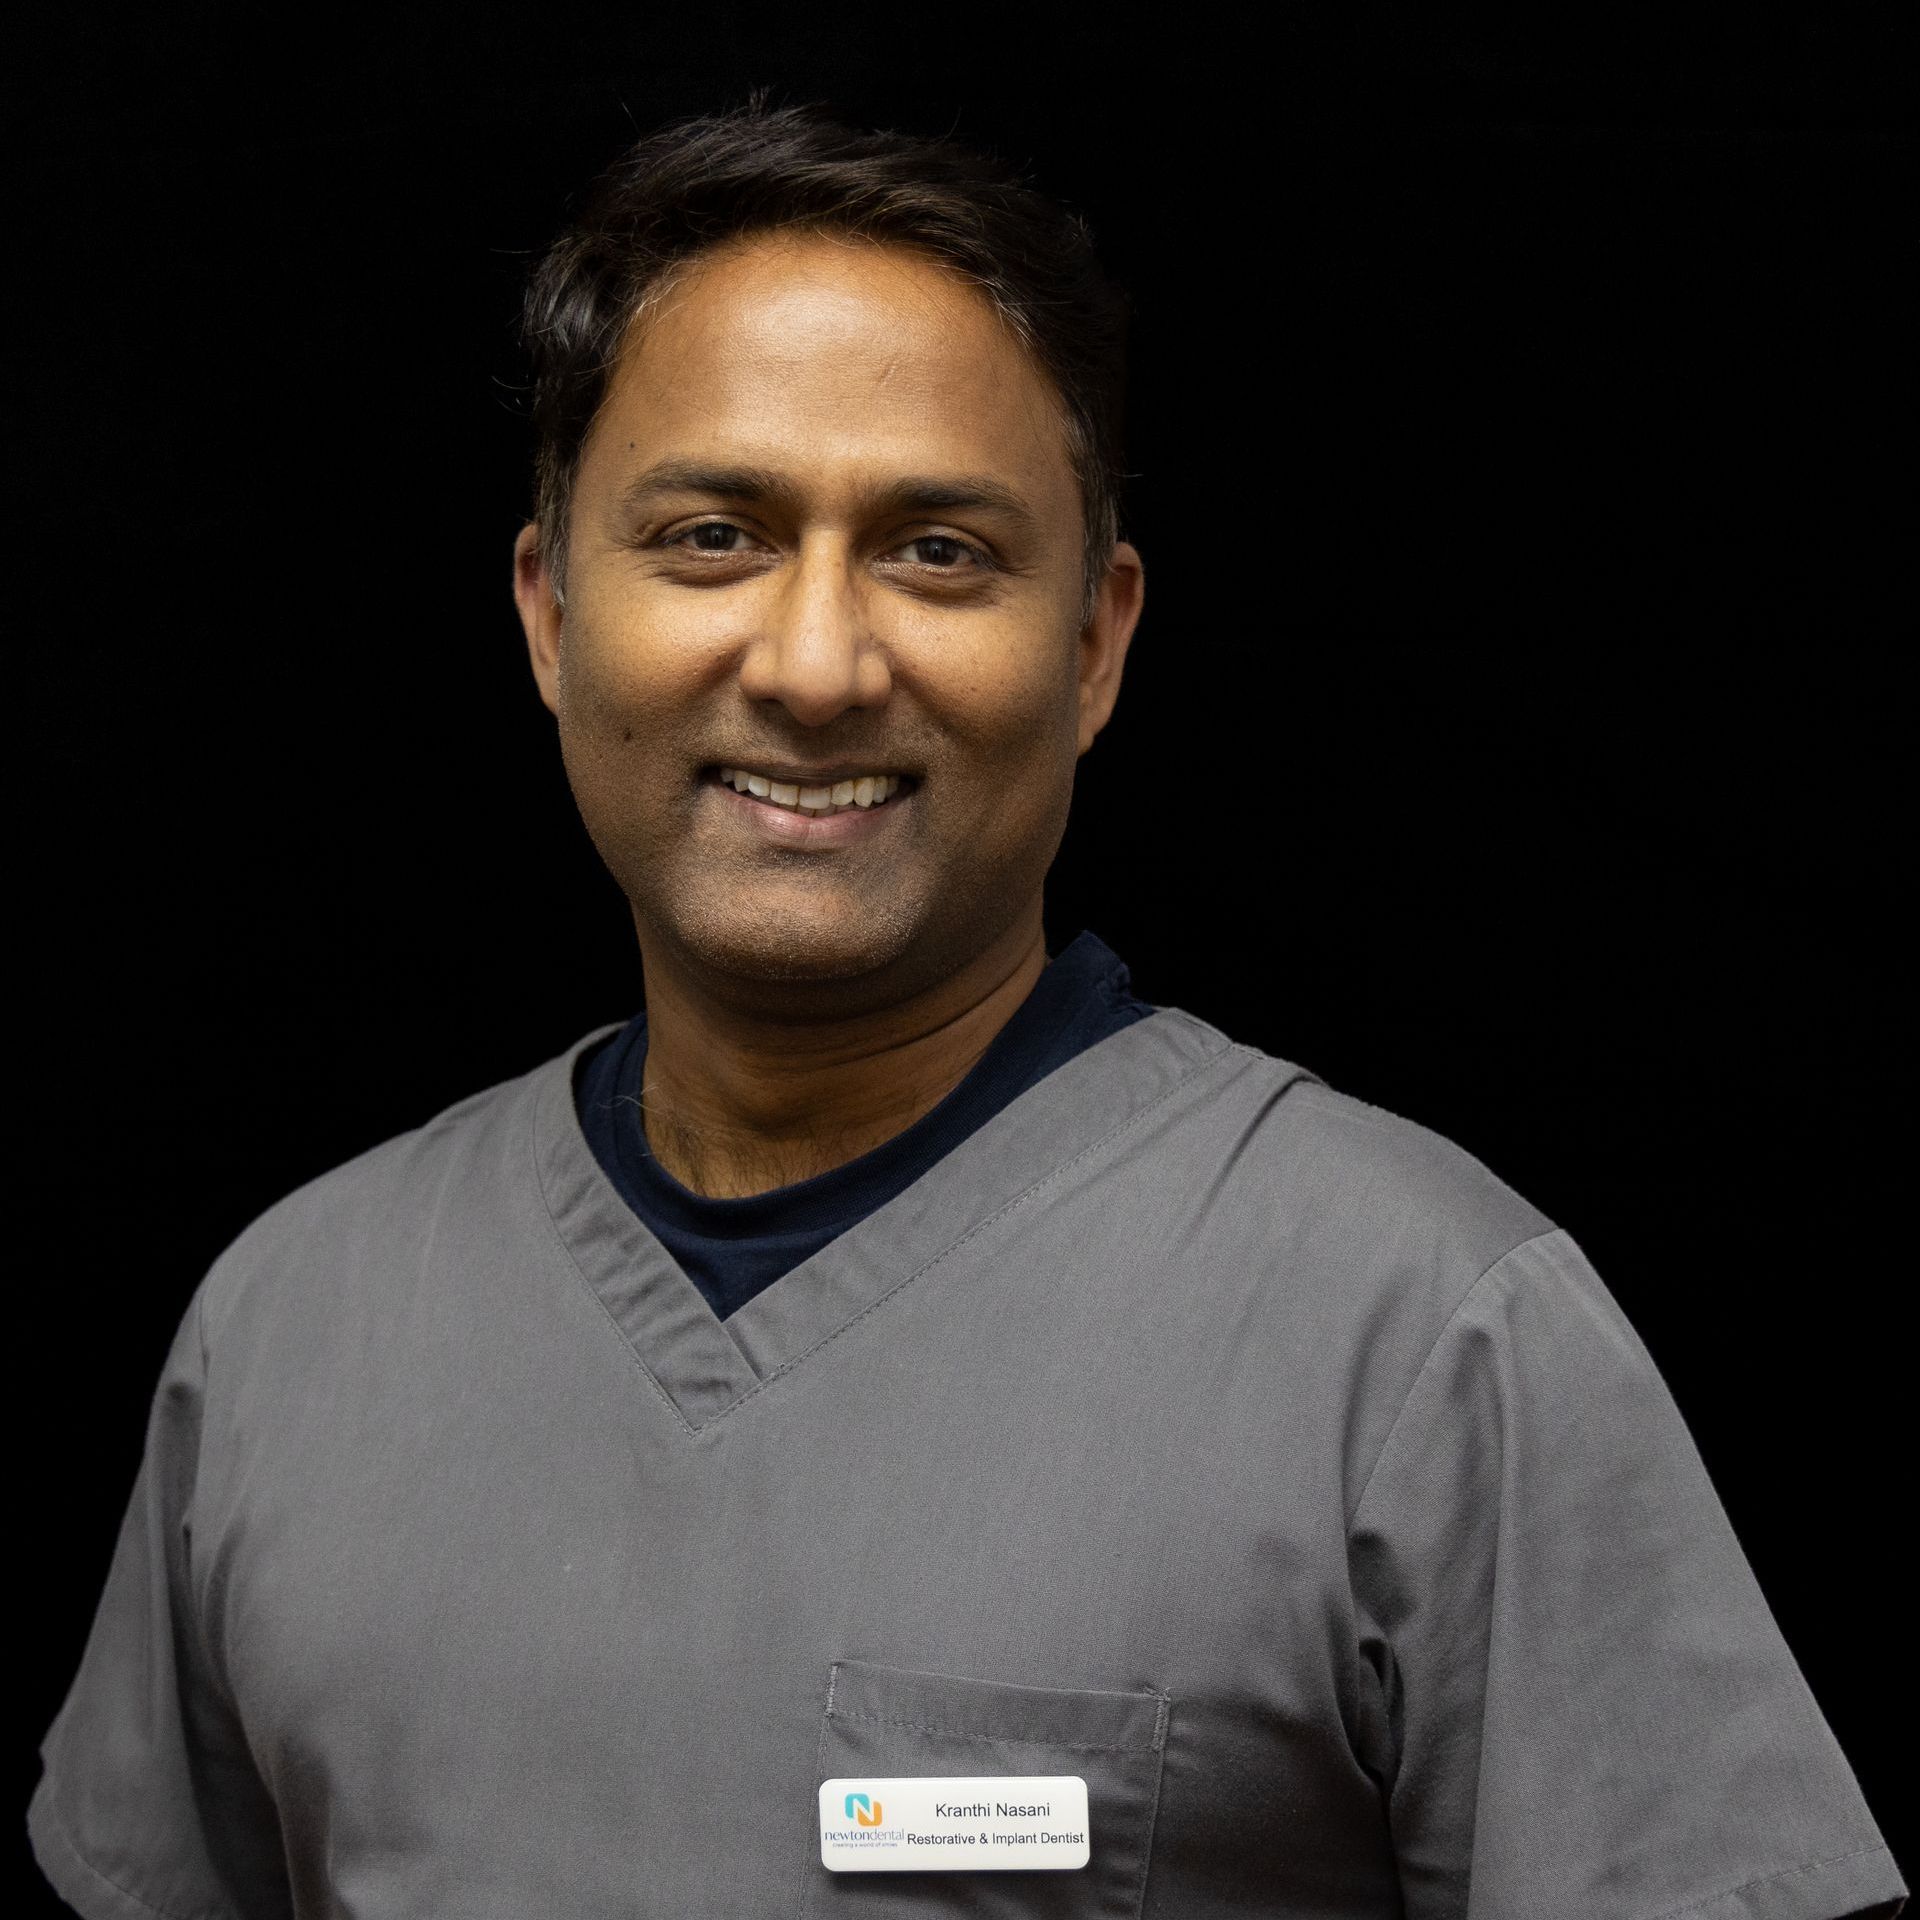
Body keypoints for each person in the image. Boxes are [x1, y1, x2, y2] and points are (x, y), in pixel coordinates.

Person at [26, 99, 1905, 1920]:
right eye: (710, 536)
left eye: (940, 551)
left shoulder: (1424, 1338)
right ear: (547, 611)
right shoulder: (292, 1326)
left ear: (1094, 644)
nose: (820, 663)